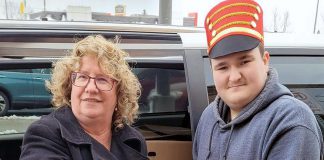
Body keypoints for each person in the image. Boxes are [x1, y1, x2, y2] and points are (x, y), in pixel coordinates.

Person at [193, 0, 324, 159]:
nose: (234, 77)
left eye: (244, 62)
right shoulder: (209, 118)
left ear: (265, 61)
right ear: (212, 70)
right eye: (222, 67)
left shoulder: (290, 121)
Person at [20, 35, 148, 160]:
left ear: (119, 92)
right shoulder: (45, 134)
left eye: (102, 79)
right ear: (69, 87)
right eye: (82, 77)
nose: (91, 88)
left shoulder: (134, 140)